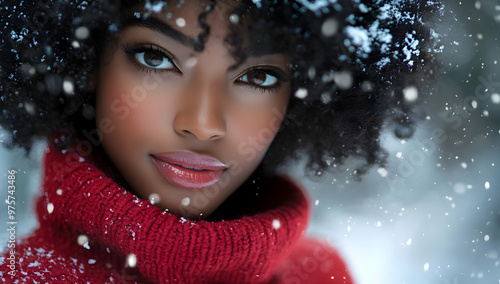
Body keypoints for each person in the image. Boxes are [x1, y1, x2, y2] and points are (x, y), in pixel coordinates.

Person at [0, 0, 441, 283]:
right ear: (88, 59)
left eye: (258, 76)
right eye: (156, 58)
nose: (203, 123)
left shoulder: (322, 274)